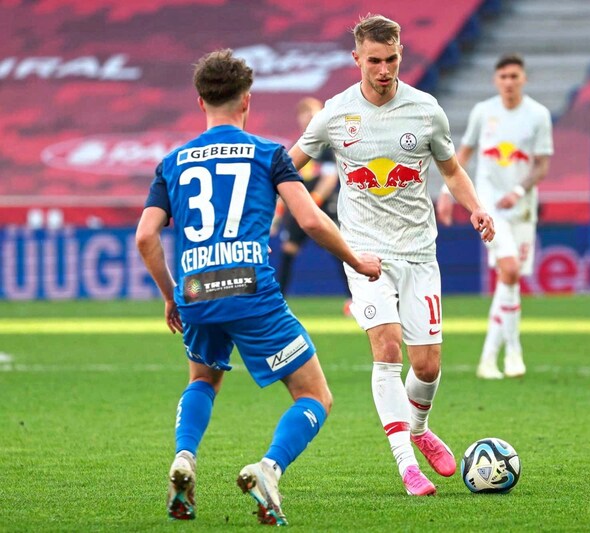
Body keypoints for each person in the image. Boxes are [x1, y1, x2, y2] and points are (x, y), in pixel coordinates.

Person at [135, 48, 381, 525]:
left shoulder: (173, 162)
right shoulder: (268, 154)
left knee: (203, 379)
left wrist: (170, 294)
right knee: (315, 396)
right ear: (247, 100)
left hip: (197, 290)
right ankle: (269, 469)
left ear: (199, 100)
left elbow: (146, 236)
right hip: (252, 290)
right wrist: (355, 258)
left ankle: (184, 457)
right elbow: (309, 219)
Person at [288, 14, 495, 496]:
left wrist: (477, 208)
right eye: (375, 60)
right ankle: (406, 465)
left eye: (393, 59)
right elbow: (288, 164)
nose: (384, 70)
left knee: (427, 366)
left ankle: (420, 431)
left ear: (401, 55)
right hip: (365, 256)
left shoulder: (425, 111)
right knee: (386, 347)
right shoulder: (336, 114)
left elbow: (452, 170)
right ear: (357, 58)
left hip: (420, 253)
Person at [437, 53, 553, 380]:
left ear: (523, 79)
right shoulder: (483, 112)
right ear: (495, 80)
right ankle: (514, 352)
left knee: (510, 280)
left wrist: (518, 190)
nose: (509, 82)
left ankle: (489, 359)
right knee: (511, 269)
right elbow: (461, 155)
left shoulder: (538, 116)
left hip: (523, 209)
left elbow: (541, 164)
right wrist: (447, 193)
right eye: (503, 77)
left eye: (514, 76)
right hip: (488, 208)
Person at [271, 97, 349, 298]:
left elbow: (330, 178)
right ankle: (281, 299)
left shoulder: (326, 146)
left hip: (323, 206)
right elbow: (284, 184)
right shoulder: (297, 148)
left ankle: (356, 299)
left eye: (313, 114)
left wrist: (311, 203)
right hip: (300, 207)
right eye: (304, 115)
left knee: (340, 250)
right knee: (289, 250)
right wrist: (278, 215)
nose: (308, 119)